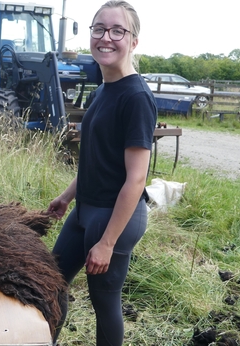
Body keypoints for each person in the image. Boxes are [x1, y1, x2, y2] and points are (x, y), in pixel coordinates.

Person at [47, 1, 157, 345]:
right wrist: (66, 197)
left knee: (104, 302)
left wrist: (107, 242)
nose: (106, 37)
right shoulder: (101, 92)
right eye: (99, 29)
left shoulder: (136, 97)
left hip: (115, 218)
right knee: (50, 283)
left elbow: (136, 179)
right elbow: (96, 161)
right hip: (85, 211)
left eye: (117, 31)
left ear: (133, 41)